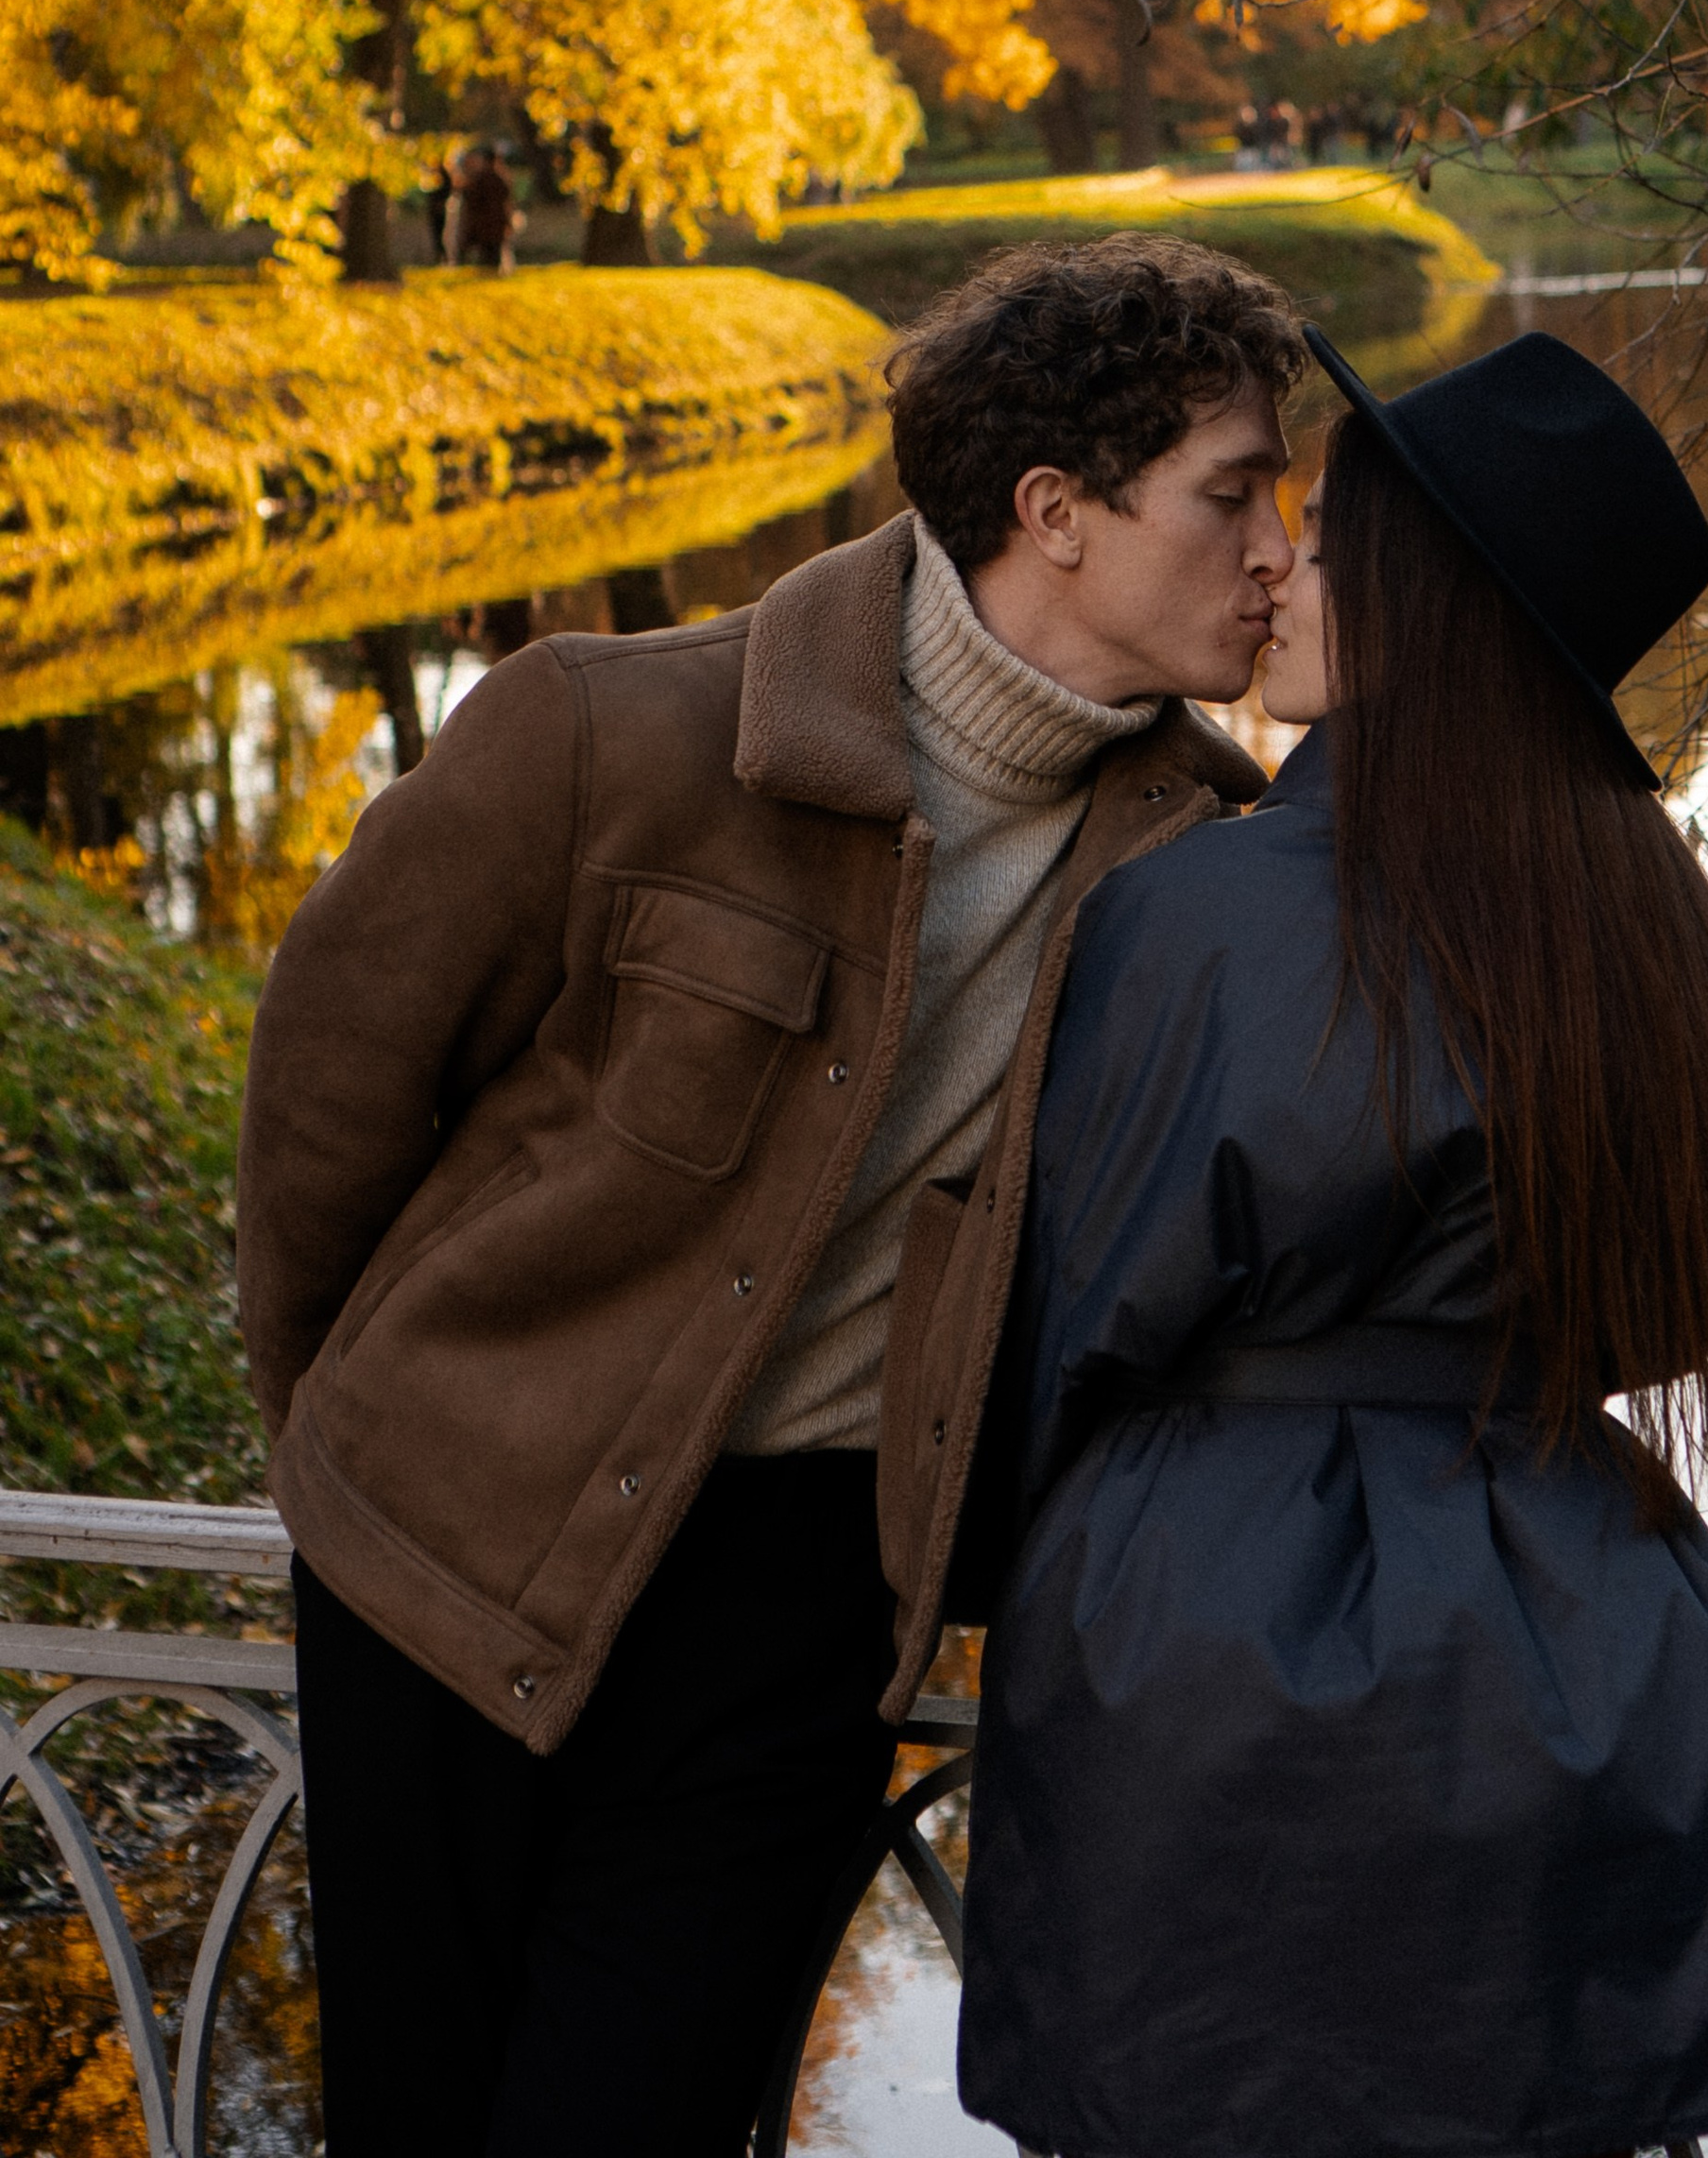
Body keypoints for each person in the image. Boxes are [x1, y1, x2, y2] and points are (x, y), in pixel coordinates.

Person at [235, 237, 1303, 2158]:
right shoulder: (602, 727)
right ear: (1053, 514)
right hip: (454, 1537)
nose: (1278, 550)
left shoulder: (1206, 867)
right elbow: (331, 1095)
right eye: (1234, 493)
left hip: (805, 1615)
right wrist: (356, 1431)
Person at [942, 327, 1708, 2158]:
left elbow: (1071, 1312)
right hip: (1570, 1626)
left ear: (1424, 605)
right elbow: (1673, 1298)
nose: (1277, 561)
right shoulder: (1643, 925)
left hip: (1205, 1665)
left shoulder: (1199, 918)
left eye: (1329, 535)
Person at [453, 139, 521, 268]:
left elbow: (472, 198)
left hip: (487, 227)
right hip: (491, 226)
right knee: (490, 257)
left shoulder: (486, 179)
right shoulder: (499, 177)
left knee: (489, 259)